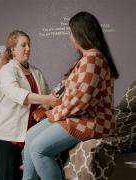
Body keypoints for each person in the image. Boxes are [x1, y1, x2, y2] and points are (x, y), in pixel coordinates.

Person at [22, 11, 119, 180]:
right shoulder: (84, 60)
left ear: (80, 34)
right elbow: (63, 89)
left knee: (38, 149)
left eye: (71, 32)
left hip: (90, 121)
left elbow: (80, 103)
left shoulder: (93, 60)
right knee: (30, 135)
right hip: (77, 117)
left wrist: (50, 114)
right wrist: (46, 106)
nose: (70, 36)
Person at [0, 30, 58, 180]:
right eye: (23, 45)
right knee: (9, 176)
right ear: (12, 49)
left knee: (31, 175)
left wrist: (43, 108)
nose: (28, 48)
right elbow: (16, 93)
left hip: (30, 134)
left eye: (29, 45)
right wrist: (46, 100)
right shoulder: (7, 70)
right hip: (8, 134)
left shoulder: (36, 72)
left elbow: (48, 96)